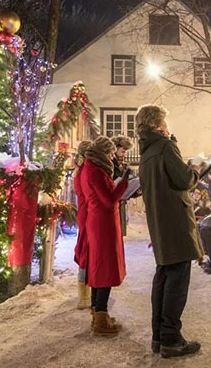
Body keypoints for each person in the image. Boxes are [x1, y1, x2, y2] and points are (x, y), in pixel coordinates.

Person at [137, 104, 211, 358]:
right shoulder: (165, 146)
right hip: (175, 221)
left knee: (163, 276)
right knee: (177, 279)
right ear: (159, 125)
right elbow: (183, 180)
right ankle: (171, 338)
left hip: (160, 221)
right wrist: (196, 171)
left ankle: (159, 336)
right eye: (166, 124)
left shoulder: (146, 152)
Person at [81, 136, 130, 336]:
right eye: (110, 153)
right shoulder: (96, 171)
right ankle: (100, 319)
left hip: (100, 222)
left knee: (99, 267)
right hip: (103, 224)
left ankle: (98, 314)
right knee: (105, 268)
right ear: (102, 153)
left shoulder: (90, 168)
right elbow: (109, 200)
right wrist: (125, 183)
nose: (112, 156)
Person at [73, 140, 93, 310]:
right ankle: (84, 296)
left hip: (84, 211)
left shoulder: (80, 169)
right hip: (88, 212)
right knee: (86, 253)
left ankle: (86, 294)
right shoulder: (85, 170)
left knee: (86, 251)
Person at [111, 135, 135, 237]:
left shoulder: (118, 160)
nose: (124, 153)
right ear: (116, 147)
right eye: (123, 150)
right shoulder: (112, 160)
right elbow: (114, 177)